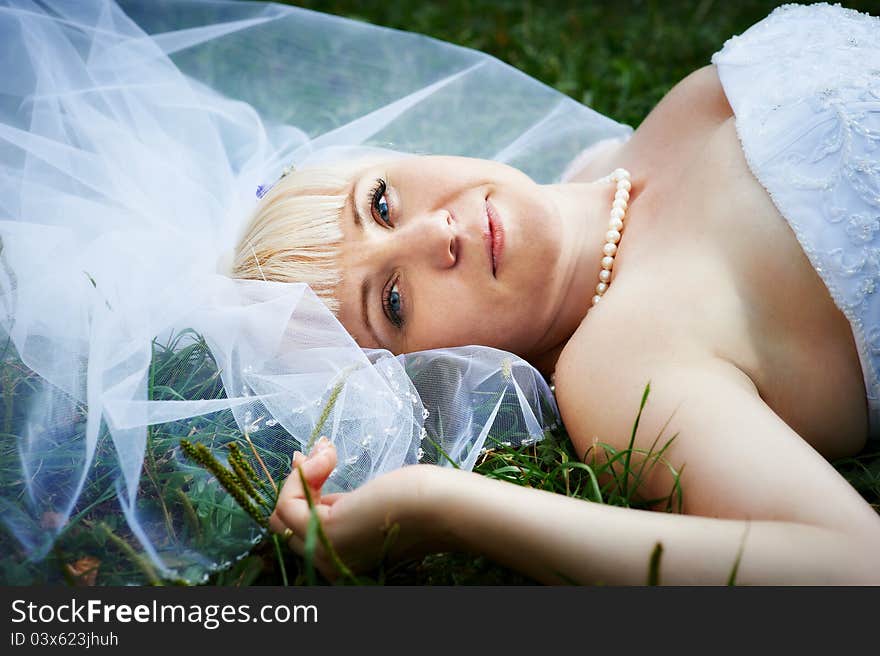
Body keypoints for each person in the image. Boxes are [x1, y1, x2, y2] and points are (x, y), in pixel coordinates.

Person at [256, 3, 880, 584]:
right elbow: (855, 565)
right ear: (434, 373)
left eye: (381, 204)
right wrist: (439, 504)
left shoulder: (615, 159)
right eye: (393, 301)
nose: (435, 234)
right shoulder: (615, 368)